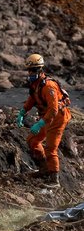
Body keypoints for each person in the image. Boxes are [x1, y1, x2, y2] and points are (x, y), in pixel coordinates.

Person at [16, 54, 71, 188]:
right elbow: (32, 99)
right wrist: (23, 112)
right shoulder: (36, 84)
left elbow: (53, 110)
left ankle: (54, 179)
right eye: (30, 70)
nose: (31, 73)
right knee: (33, 140)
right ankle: (44, 167)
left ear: (40, 70)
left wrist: (40, 123)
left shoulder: (49, 86)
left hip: (57, 119)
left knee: (50, 148)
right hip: (47, 118)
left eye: (34, 70)